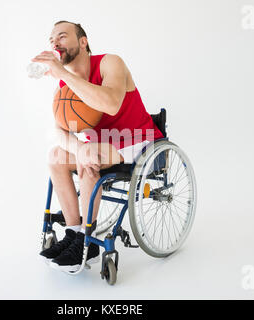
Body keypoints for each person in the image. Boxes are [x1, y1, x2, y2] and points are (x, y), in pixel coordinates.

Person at [33, 20, 164, 273]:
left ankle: (88, 241)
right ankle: (74, 233)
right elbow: (59, 132)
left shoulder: (109, 63)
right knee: (56, 155)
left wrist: (62, 74)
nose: (55, 43)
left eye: (62, 36)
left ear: (83, 42)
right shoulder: (66, 84)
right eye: (52, 40)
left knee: (89, 153)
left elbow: (111, 104)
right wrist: (79, 148)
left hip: (136, 140)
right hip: (100, 147)